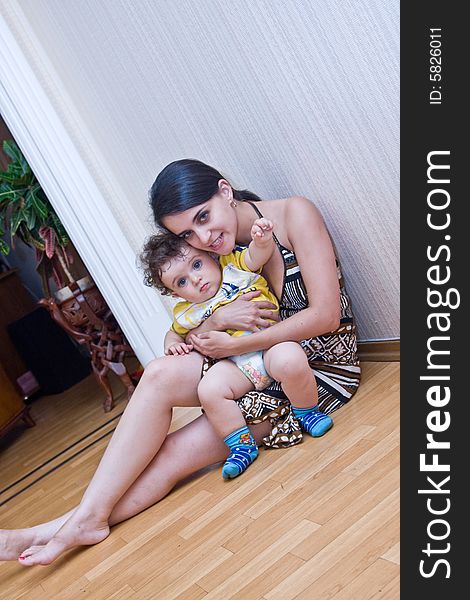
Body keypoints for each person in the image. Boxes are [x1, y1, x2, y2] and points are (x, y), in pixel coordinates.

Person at [0, 158, 360, 566]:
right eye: (188, 232)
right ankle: (80, 521)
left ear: (225, 190)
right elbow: (192, 324)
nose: (204, 236)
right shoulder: (209, 257)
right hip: (248, 363)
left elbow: (326, 316)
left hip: (312, 373)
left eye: (203, 217)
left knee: (172, 453)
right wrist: (218, 322)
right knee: (156, 374)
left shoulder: (293, 214)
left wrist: (230, 341)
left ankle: (63, 529)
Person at [140, 221, 333, 479]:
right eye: (182, 281)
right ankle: (241, 446)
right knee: (208, 389)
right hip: (236, 366)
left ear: (209, 256)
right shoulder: (186, 311)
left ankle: (307, 411)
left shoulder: (232, 266)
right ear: (175, 294)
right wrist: (172, 344)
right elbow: (175, 331)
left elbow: (256, 256)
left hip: (269, 346)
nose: (195, 279)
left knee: (291, 359)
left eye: (196, 265)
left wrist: (262, 240)